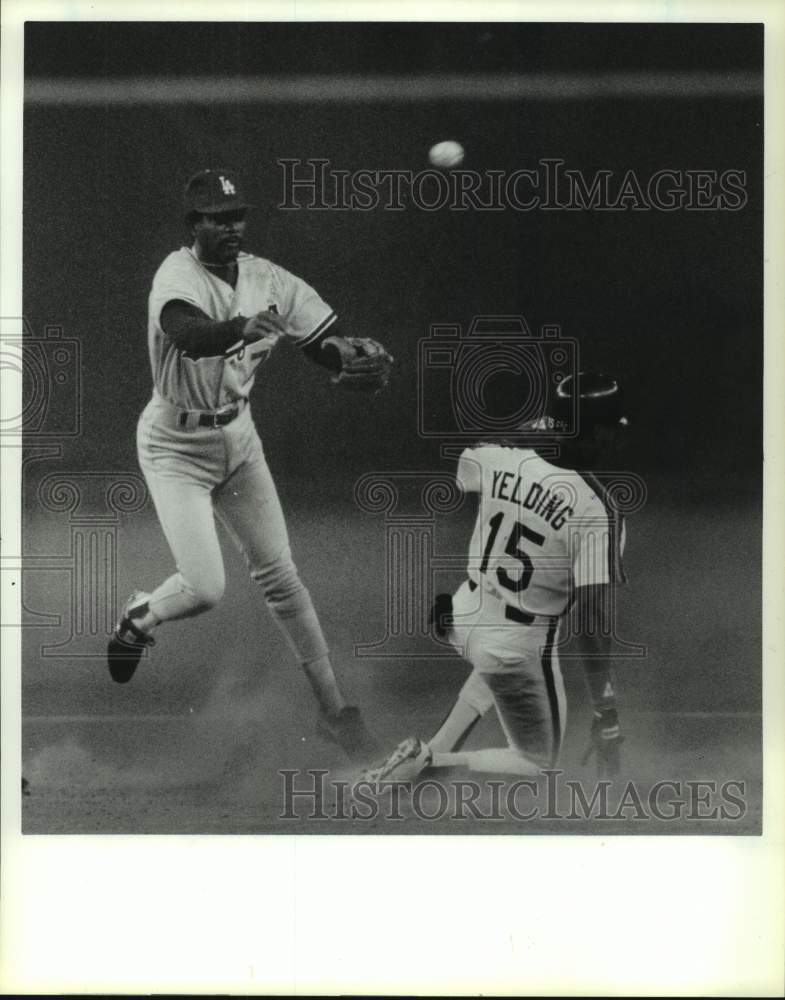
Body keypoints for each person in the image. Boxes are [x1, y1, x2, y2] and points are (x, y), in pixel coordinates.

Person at [107, 168, 392, 762]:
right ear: (194, 225)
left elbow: (323, 341)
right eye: (217, 217)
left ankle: (338, 714)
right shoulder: (176, 274)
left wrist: (349, 355)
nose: (231, 227)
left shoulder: (270, 280)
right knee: (206, 588)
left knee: (283, 580)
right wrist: (241, 327)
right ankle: (140, 614)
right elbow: (188, 334)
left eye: (237, 216)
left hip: (238, 440)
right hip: (173, 446)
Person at [363, 371, 629, 783]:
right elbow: (591, 622)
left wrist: (533, 435)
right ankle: (425, 763)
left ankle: (432, 750)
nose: (616, 439)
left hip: (462, 613)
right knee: (538, 764)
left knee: (502, 668)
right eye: (610, 429)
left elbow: (469, 464)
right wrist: (604, 709)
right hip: (514, 641)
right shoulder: (597, 509)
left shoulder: (497, 455)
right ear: (590, 433)